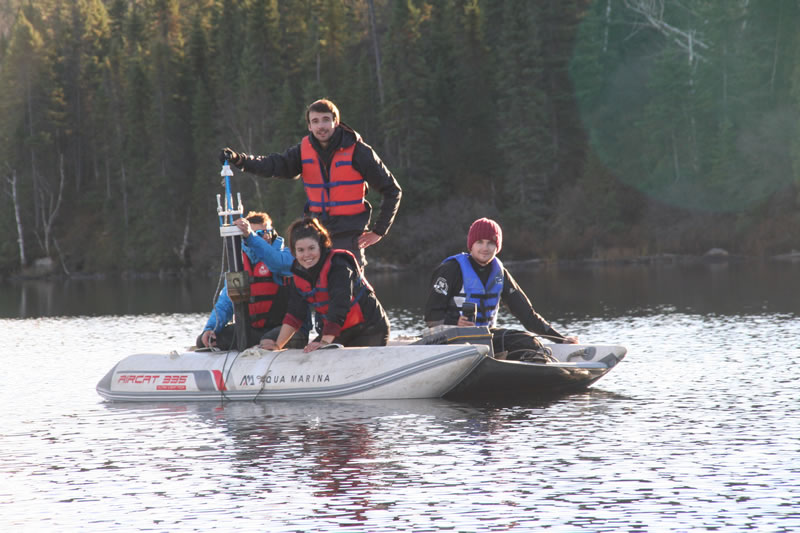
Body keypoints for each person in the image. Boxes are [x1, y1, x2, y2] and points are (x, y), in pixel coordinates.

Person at [219, 98, 401, 267]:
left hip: (349, 236)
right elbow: (272, 165)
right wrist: (239, 160)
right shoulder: (302, 151)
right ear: (309, 126)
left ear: (336, 122)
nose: (321, 126)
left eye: (325, 120)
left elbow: (392, 190)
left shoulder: (359, 151)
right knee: (313, 291)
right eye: (315, 121)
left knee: (349, 289)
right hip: (315, 236)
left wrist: (379, 231)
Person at [423, 217, 578, 361]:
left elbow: (527, 315)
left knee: (527, 342)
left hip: (484, 339)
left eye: (490, 243)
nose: (485, 248)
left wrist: (561, 339)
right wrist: (455, 321)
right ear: (471, 244)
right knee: (522, 341)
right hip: (449, 339)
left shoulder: (500, 273)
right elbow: (431, 315)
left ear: (497, 246)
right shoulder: (450, 270)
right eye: (480, 242)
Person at [260, 217, 390, 353]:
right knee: (312, 353)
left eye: (311, 248)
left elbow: (340, 304)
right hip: (341, 331)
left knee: (324, 349)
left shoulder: (339, 265)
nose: (307, 255)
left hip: (370, 328)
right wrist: (278, 345)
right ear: (294, 252)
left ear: (321, 246)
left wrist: (324, 342)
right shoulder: (298, 273)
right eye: (301, 250)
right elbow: (294, 314)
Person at [196, 211, 308, 350]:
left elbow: (277, 262)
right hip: (254, 331)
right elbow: (225, 304)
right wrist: (210, 329)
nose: (265, 236)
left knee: (266, 340)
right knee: (205, 340)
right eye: (258, 234)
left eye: (267, 232)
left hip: (288, 329)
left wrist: (251, 236)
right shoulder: (239, 264)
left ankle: (263, 348)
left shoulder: (287, 256)